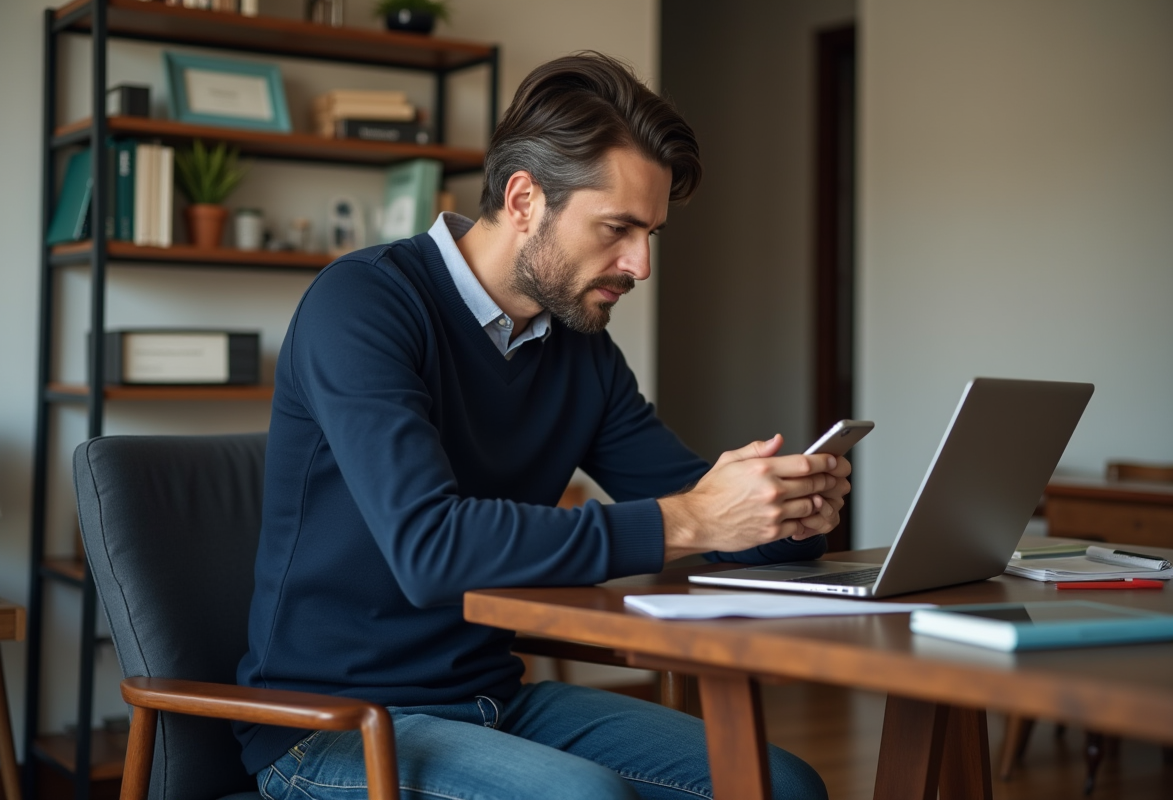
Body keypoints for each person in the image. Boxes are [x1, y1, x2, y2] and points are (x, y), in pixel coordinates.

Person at [238, 51, 850, 800]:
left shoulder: (580, 352)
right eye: (619, 228)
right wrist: (691, 520)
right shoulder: (364, 305)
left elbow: (699, 508)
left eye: (652, 233)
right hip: (328, 726)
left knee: (782, 785)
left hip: (496, 702)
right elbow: (431, 550)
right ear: (525, 199)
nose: (640, 264)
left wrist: (784, 511)